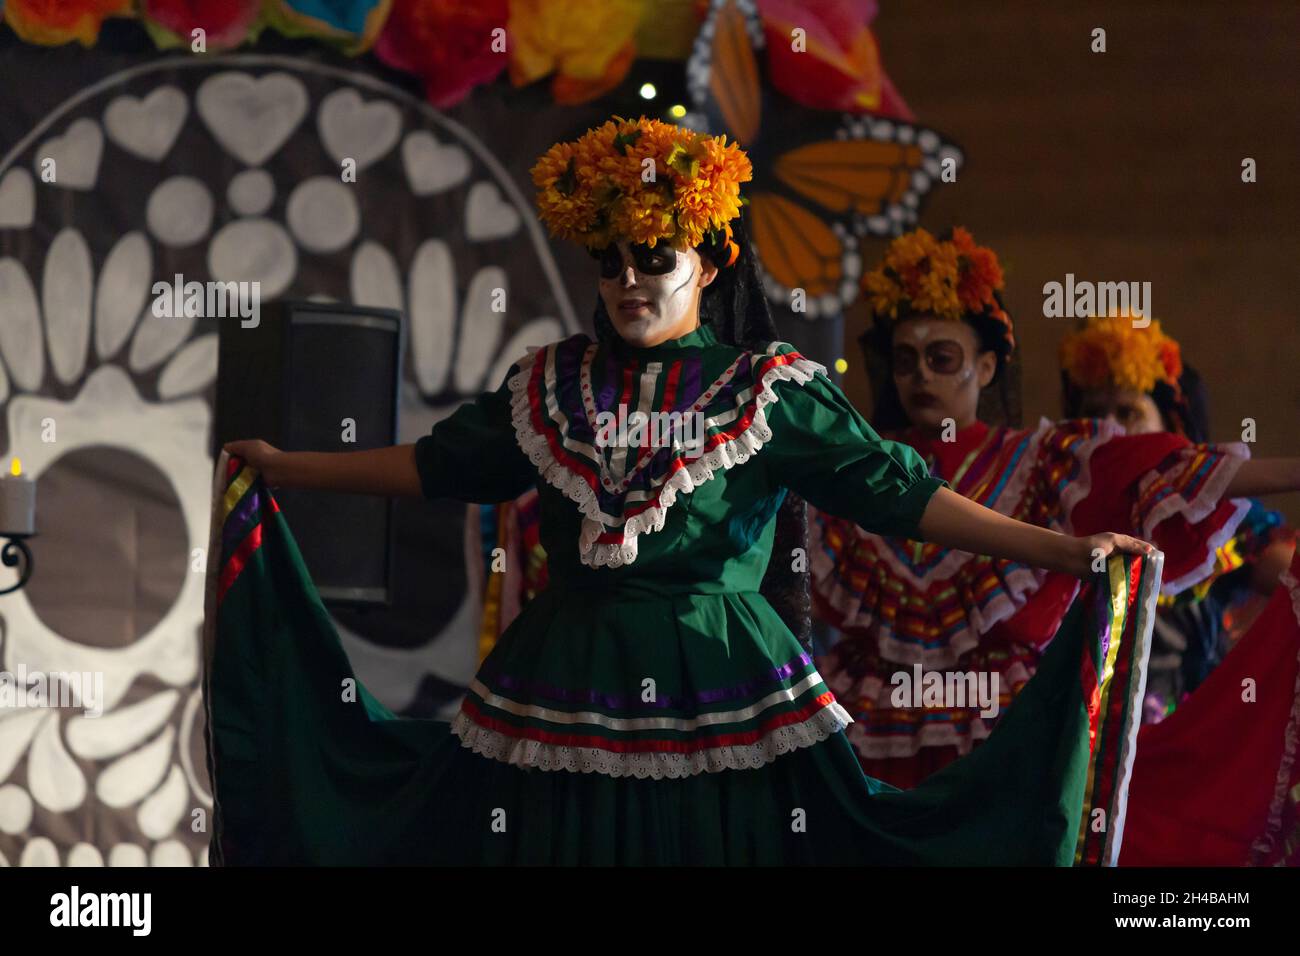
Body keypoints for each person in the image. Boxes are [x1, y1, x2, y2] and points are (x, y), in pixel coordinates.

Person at [213, 118, 1157, 866]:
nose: (629, 279)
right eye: (612, 258)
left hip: (722, 693)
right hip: (563, 684)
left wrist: (1068, 553)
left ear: (708, 262)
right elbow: (434, 466)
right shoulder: (550, 383)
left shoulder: (768, 390)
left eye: (655, 257)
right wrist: (291, 470)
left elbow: (901, 497)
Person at [807, 226, 1300, 864]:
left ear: (986, 367)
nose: (921, 375)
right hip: (871, 738)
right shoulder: (856, 469)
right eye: (905, 360)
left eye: (942, 357)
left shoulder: (1046, 464)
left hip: (1012, 741)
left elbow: (1173, 466)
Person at [1058, 315, 1295, 722]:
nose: (1112, 427)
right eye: (1096, 413)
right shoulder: (1052, 510)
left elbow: (1284, 571)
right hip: (1076, 743)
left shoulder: (1216, 522)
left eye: (1129, 412)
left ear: (1171, 428)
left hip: (1181, 745)